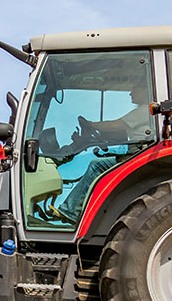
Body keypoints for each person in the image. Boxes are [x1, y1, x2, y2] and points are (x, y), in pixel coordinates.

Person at [52, 86, 154, 221]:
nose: (131, 92)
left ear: (146, 91)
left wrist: (90, 124)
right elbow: (117, 132)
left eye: (135, 88)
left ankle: (70, 211)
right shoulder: (146, 111)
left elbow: (114, 126)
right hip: (138, 151)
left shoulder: (145, 110)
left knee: (96, 166)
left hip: (138, 153)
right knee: (102, 160)